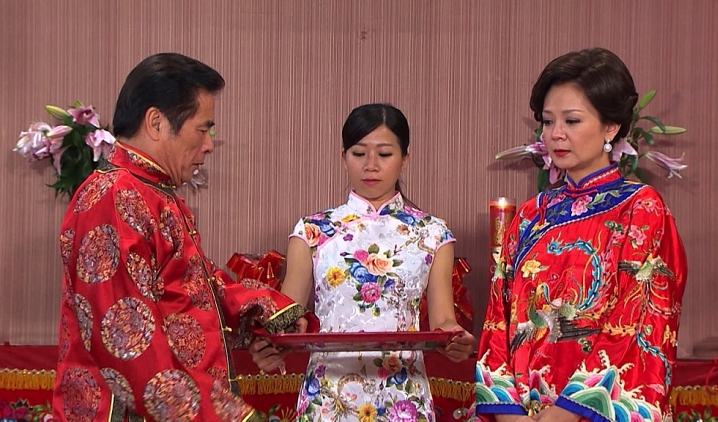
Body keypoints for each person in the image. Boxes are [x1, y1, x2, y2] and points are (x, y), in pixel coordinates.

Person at [52, 52, 314, 422]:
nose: (209, 144)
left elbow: (194, 290)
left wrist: (270, 313)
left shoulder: (152, 194)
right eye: (202, 130)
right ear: (156, 122)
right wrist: (226, 417)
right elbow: (126, 335)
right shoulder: (113, 197)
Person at [475, 48, 687, 422]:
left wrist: (569, 411)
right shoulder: (530, 215)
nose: (556, 134)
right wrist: (508, 412)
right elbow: (498, 319)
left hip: (591, 413)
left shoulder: (640, 209)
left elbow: (640, 321)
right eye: (547, 121)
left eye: (572, 120)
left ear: (611, 127)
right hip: (522, 411)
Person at [250, 103, 476, 422]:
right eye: (359, 153)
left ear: (405, 158)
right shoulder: (312, 231)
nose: (371, 165)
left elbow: (444, 320)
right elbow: (287, 319)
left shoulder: (432, 233)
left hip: (403, 395)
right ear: (343, 157)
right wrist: (270, 344)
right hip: (328, 397)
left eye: (384, 154)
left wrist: (456, 340)